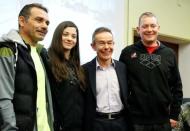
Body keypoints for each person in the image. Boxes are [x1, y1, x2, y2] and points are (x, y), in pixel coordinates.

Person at [119, 12, 183, 131]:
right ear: (138, 29)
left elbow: (177, 87)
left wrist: (174, 115)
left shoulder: (169, 54)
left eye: (153, 26)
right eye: (145, 26)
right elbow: (121, 86)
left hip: (163, 121)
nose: (149, 29)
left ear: (158, 28)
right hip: (135, 121)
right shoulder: (127, 53)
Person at [0, 3, 54, 131]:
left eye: (47, 23)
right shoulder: (8, 50)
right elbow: (3, 98)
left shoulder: (41, 54)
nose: (44, 26)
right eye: (39, 20)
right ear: (22, 21)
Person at [83, 27, 128, 131]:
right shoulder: (84, 70)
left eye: (110, 43)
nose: (107, 47)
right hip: (96, 124)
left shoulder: (123, 68)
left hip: (121, 123)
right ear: (93, 46)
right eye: (102, 43)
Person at [46, 21, 86, 131]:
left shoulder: (77, 67)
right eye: (65, 34)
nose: (70, 39)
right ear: (58, 36)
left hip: (77, 126)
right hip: (57, 126)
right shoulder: (48, 62)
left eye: (74, 36)